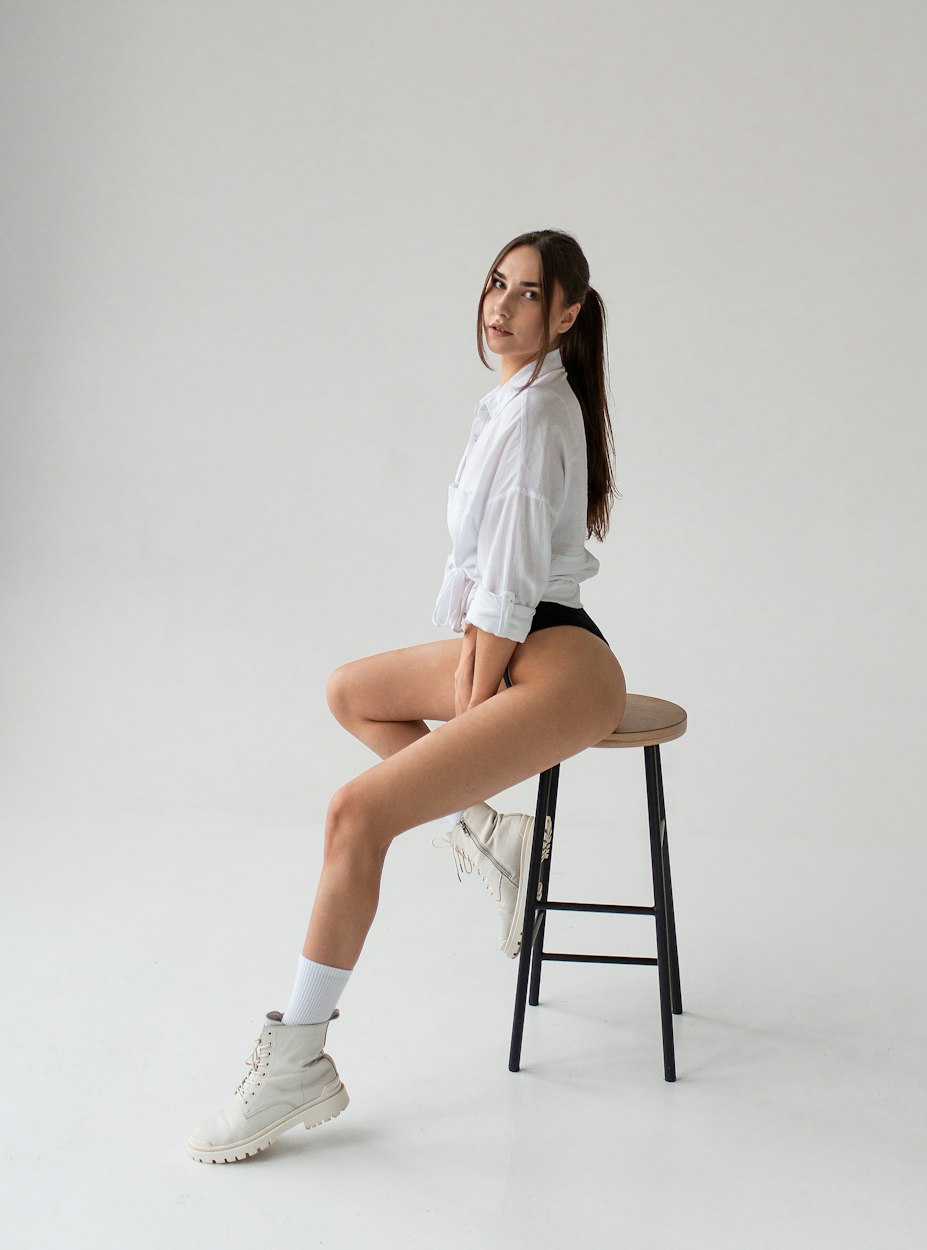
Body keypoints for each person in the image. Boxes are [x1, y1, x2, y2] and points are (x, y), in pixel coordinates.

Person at [187, 228, 628, 1164]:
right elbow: (486, 588)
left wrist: (471, 712)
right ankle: (495, 841)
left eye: (525, 294)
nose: (499, 307)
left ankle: (297, 1060)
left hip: (554, 661)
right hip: (515, 641)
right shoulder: (512, 401)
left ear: (567, 314)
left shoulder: (538, 417)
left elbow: (507, 589)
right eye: (494, 285)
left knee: (358, 815)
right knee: (353, 692)